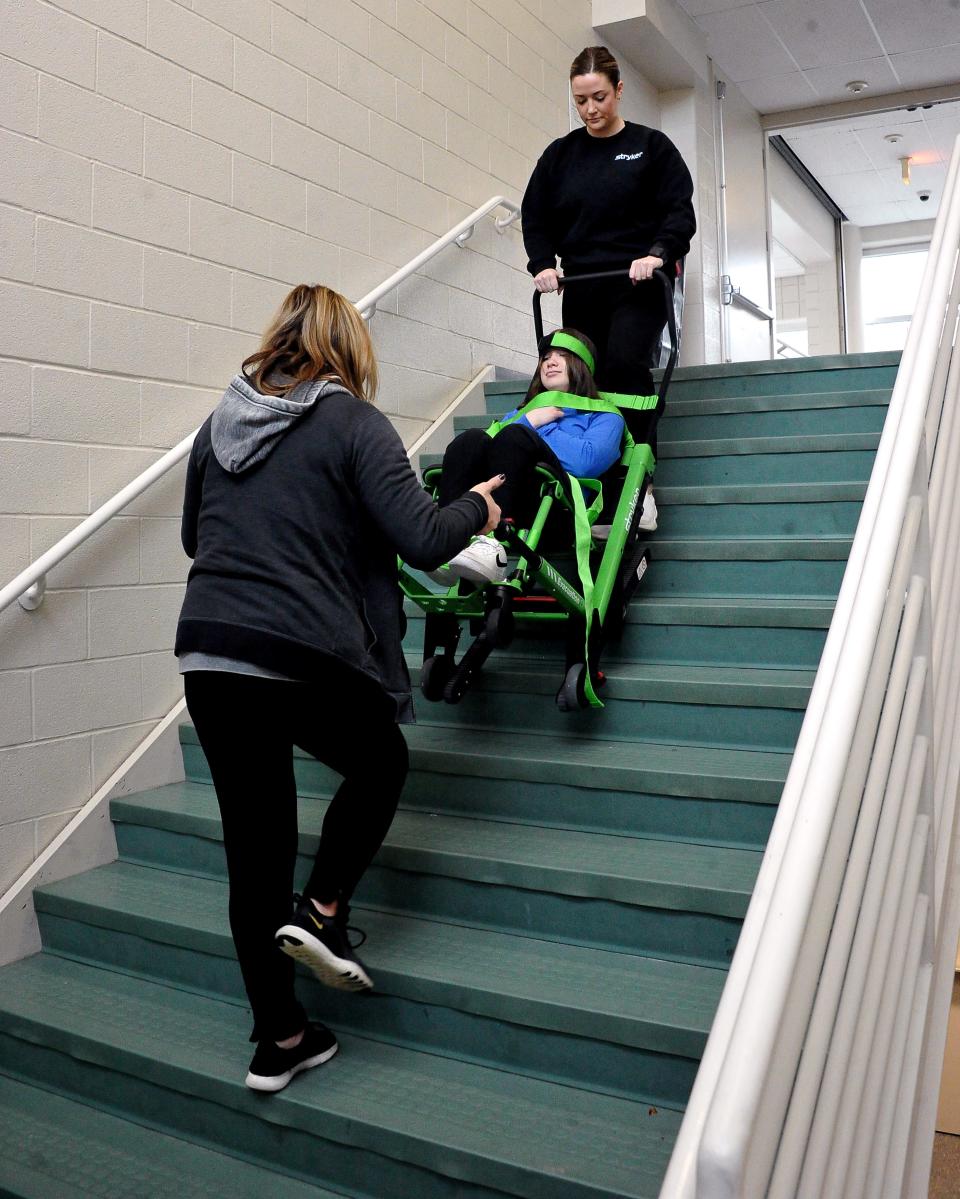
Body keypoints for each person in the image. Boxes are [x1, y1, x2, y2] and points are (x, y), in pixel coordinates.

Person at [175, 283, 502, 1093]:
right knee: (382, 759)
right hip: (294, 649)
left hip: (210, 653)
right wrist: (478, 506)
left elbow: (196, 536)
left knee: (254, 856)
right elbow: (424, 538)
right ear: (349, 351)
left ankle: (279, 1037)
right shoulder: (354, 420)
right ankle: (321, 910)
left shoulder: (217, 426)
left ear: (278, 340)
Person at [521, 44, 696, 532]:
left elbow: (680, 211)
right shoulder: (560, 156)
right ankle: (587, 479)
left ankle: (638, 487)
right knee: (579, 378)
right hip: (583, 284)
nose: (591, 110)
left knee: (621, 362)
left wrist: (657, 252)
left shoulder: (651, 146)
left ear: (619, 90)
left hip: (638, 281)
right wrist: (543, 264)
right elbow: (535, 215)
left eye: (599, 97)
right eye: (580, 101)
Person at [431, 328, 623, 585]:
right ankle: (445, 540)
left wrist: (540, 424)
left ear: (581, 365)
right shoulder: (522, 415)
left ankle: (492, 542)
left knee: (515, 436)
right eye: (545, 358)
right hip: (504, 499)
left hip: (557, 509)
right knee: (470, 440)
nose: (550, 362)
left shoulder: (606, 416)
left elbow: (585, 462)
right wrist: (529, 418)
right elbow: (489, 447)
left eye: (561, 355)